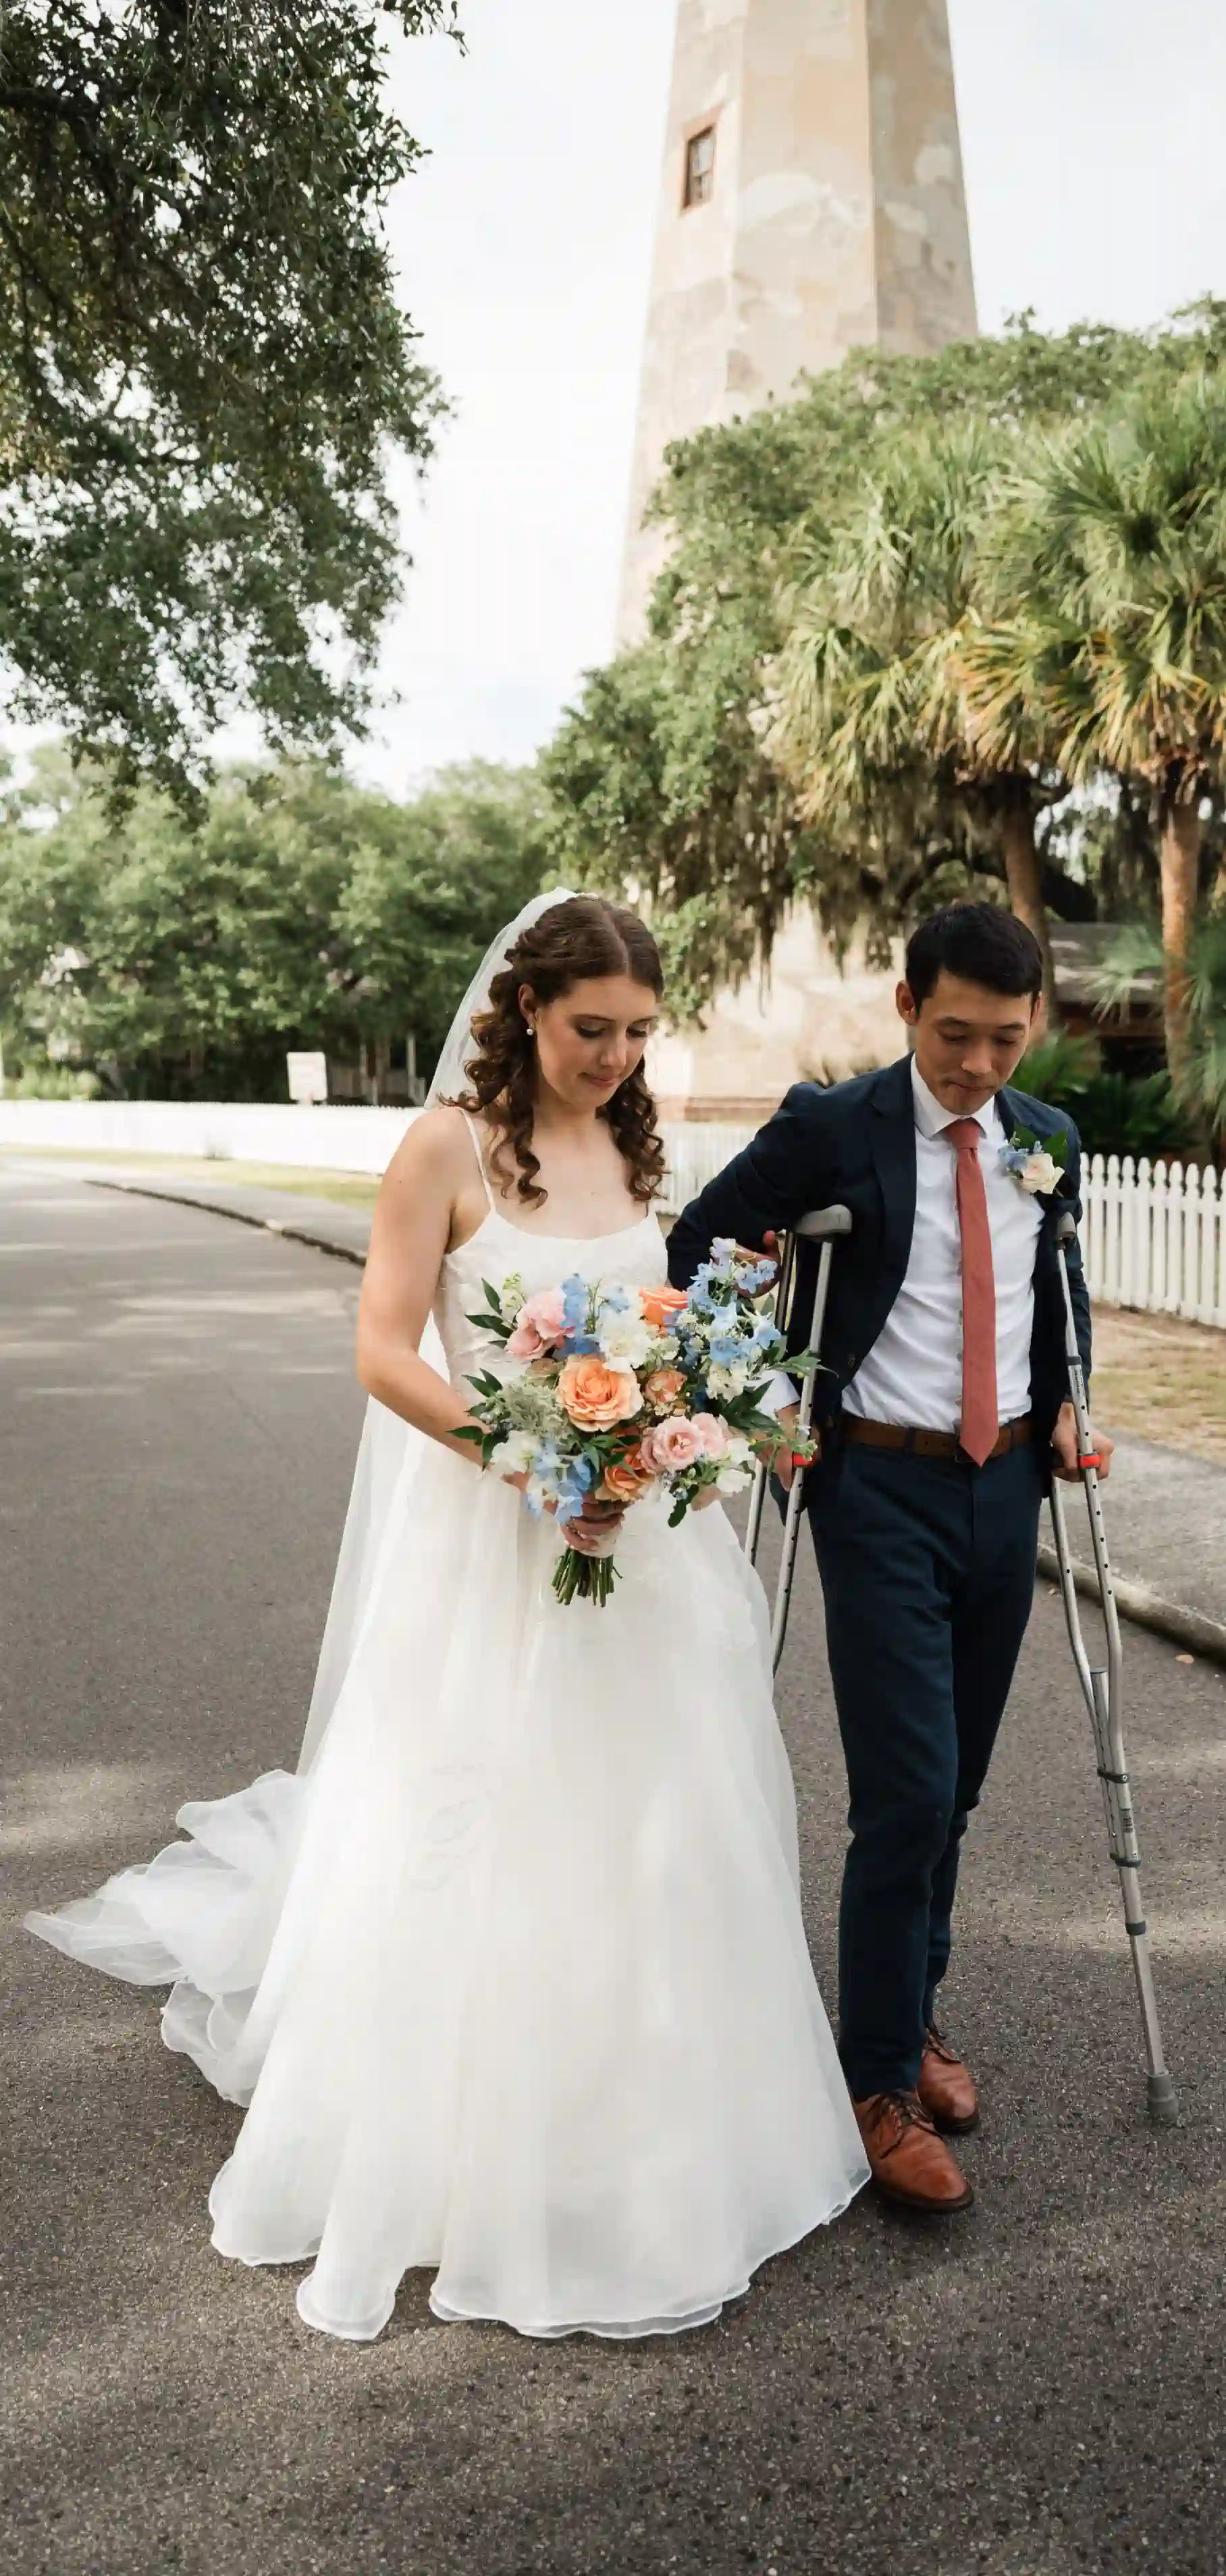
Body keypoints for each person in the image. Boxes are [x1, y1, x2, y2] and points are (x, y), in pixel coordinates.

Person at [24, 891, 868, 2342]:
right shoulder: (442, 1150)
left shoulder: (631, 1149)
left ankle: (642, 2120)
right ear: (524, 1009)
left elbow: (657, 1334)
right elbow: (377, 1345)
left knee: (652, 1820)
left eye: (635, 1034)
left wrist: (673, 1438)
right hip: (492, 1535)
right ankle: (462, 2136)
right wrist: (529, 1456)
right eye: (588, 1027)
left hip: (635, 1543)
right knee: (483, 1812)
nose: (611, 1057)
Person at [667, 903, 1113, 2216]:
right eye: (956, 1035)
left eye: (1005, 1040)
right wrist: (750, 1386)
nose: (978, 1066)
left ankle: (910, 2013)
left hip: (1005, 1490)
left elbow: (1053, 1291)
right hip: (870, 1485)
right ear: (907, 1006)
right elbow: (697, 1245)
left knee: (955, 1788)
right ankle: (874, 2083)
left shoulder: (1045, 1143)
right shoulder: (831, 1125)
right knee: (905, 1794)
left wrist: (1074, 1397)